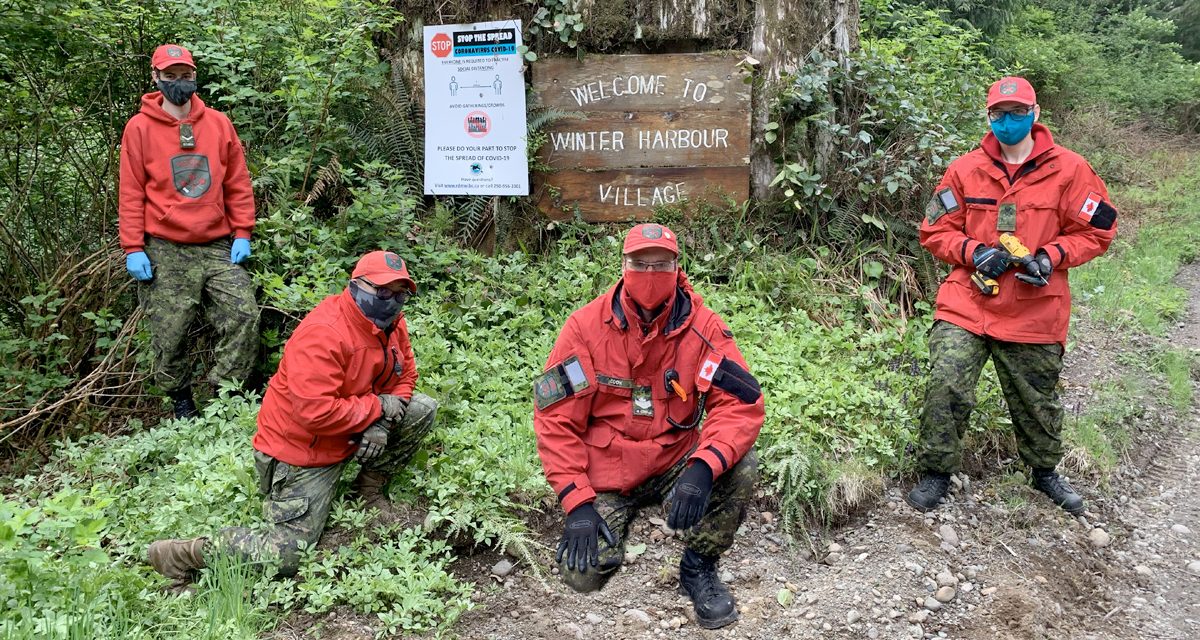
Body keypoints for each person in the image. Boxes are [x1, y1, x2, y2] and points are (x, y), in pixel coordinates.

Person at [146, 251, 439, 588]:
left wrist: (382, 423)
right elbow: (315, 413)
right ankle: (182, 553)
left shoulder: (391, 324)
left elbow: (406, 375)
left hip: (349, 428)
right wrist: (376, 408)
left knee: (421, 408)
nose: (392, 302)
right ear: (356, 285)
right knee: (287, 553)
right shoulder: (324, 333)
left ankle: (366, 490)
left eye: (400, 295)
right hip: (303, 451)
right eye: (383, 292)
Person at [533, 223, 764, 629]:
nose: (651, 274)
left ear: (678, 268)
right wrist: (577, 502)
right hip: (608, 472)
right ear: (623, 266)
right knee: (581, 575)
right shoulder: (585, 328)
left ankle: (698, 567)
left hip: (675, 459)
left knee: (742, 467)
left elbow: (740, 403)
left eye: (662, 264)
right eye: (641, 264)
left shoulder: (704, 329)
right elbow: (555, 419)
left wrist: (703, 466)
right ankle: (613, 522)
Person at [908, 77, 1117, 515]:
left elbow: (1097, 230)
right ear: (988, 117)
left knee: (1036, 399)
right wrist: (973, 252)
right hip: (968, 301)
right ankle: (936, 472)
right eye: (999, 114)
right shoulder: (965, 170)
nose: (1008, 122)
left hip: (1035, 307)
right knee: (946, 382)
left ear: (1034, 114)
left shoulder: (1071, 170)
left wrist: (1051, 256)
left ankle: (1044, 472)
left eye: (1017, 113)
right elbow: (935, 229)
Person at [118, 44, 259, 418]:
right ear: (156, 78)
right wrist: (133, 247)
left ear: (194, 76)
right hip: (165, 245)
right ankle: (181, 399)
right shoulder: (139, 128)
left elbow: (237, 182)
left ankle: (226, 395)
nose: (178, 82)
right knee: (170, 330)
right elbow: (131, 191)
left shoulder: (218, 123)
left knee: (244, 315)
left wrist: (242, 232)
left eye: (185, 75)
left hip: (216, 243)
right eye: (170, 76)